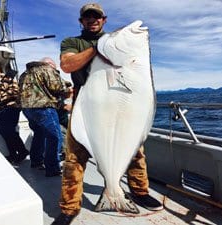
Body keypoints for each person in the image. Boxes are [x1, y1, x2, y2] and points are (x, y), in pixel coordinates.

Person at [52, 3, 163, 224]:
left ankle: (139, 192)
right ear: (81, 21)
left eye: (97, 17)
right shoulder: (73, 42)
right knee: (74, 157)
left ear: (104, 20)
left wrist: (109, 44)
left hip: (121, 104)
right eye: (87, 17)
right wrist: (98, 48)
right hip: (87, 106)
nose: (92, 20)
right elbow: (67, 65)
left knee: (135, 151)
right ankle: (70, 207)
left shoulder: (113, 39)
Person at [19, 58, 73, 177]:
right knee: (55, 137)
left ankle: (36, 161)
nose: (55, 69)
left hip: (27, 109)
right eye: (54, 67)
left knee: (39, 134)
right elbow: (57, 87)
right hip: (43, 107)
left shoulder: (25, 73)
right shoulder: (47, 69)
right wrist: (68, 87)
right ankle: (52, 168)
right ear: (50, 64)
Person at [0, 65, 29, 164]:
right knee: (4, 131)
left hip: (10, 107)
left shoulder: (6, 77)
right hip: (2, 109)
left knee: (8, 130)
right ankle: (13, 154)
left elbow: (15, 92)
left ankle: (22, 151)